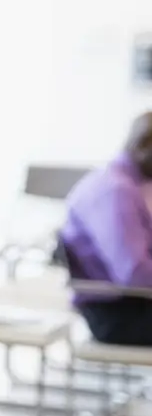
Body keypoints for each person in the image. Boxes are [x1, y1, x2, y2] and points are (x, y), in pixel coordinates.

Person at [58, 113, 152, 346]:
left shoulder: (124, 184)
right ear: (144, 147)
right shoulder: (115, 191)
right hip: (119, 314)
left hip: (130, 304)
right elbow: (134, 274)